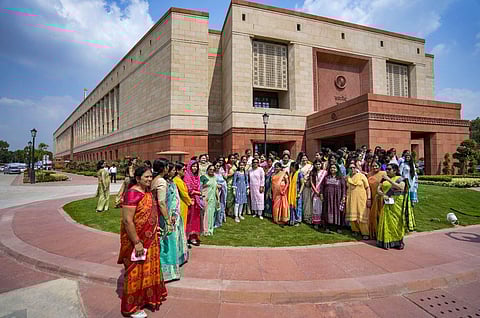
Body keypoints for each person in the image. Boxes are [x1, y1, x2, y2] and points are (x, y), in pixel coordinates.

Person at [117, 166, 167, 317]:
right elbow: (127, 220)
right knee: (135, 272)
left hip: (151, 239)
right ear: (138, 178)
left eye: (151, 177)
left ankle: (146, 298)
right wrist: (137, 242)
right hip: (137, 242)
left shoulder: (147, 193)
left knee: (148, 270)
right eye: (146, 177)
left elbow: (149, 214)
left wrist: (155, 228)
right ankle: (132, 307)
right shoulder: (132, 193)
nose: (149, 179)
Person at [376, 163, 408, 250]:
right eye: (387, 169)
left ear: (395, 170)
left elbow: (401, 187)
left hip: (397, 202)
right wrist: (383, 194)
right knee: (386, 220)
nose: (387, 171)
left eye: (389, 169)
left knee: (397, 221)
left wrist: (388, 180)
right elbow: (378, 189)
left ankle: (398, 241)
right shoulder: (384, 179)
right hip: (387, 201)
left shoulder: (400, 179)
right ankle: (387, 241)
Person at [346, 160, 371, 240]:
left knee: (362, 216)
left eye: (354, 167)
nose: (352, 169)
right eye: (350, 168)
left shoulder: (362, 176)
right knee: (352, 216)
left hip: (361, 199)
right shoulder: (347, 177)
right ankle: (355, 230)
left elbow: (367, 188)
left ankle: (365, 233)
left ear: (356, 168)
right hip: (351, 199)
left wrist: (369, 198)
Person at [320, 164, 346, 233]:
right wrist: (321, 194)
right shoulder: (326, 178)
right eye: (331, 168)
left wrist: (343, 196)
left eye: (334, 168)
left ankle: (338, 227)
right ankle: (327, 226)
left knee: (338, 210)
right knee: (327, 210)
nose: (332, 169)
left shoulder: (340, 178)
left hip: (337, 198)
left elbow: (343, 188)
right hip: (328, 198)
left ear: (337, 169)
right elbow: (322, 187)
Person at [183, 160, 202, 246]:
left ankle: (193, 237)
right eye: (193, 166)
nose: (195, 168)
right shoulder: (187, 176)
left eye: (196, 166)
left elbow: (198, 187)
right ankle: (186, 237)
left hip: (196, 201)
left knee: (195, 219)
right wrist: (197, 193)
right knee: (189, 219)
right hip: (189, 200)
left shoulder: (197, 177)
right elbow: (188, 189)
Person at [367, 161, 386, 239]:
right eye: (373, 166)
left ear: (380, 166)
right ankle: (374, 232)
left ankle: (382, 232)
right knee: (373, 215)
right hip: (372, 197)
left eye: (376, 166)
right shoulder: (369, 174)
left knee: (381, 214)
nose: (375, 167)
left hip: (381, 197)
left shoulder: (384, 174)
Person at [172, 162, 192, 233]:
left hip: (183, 203)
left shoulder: (178, 180)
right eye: (183, 170)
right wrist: (190, 202)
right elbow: (184, 194)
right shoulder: (177, 180)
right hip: (181, 203)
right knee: (181, 223)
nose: (185, 171)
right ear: (178, 170)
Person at [200, 164, 218, 235]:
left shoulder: (214, 177)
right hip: (205, 198)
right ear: (207, 170)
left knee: (211, 214)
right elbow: (200, 187)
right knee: (205, 214)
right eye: (210, 169)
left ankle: (210, 229)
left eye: (213, 170)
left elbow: (215, 188)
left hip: (212, 198)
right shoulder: (203, 177)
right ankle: (204, 230)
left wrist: (218, 199)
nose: (212, 171)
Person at [311, 160, 327, 229]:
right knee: (316, 207)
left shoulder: (324, 172)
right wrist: (316, 191)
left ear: (321, 165)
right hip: (315, 192)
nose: (318, 166)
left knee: (322, 208)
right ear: (314, 165)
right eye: (316, 164)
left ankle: (322, 222)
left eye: (319, 164)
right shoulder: (312, 173)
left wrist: (321, 192)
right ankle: (316, 222)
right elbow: (311, 182)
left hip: (322, 192)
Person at [288, 162, 304, 226]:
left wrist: (300, 193)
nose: (290, 168)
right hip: (291, 193)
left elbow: (302, 184)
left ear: (295, 167)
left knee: (297, 207)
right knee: (292, 206)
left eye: (292, 167)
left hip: (297, 193)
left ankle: (298, 220)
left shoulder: (299, 174)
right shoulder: (291, 174)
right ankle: (292, 219)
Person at [214, 161, 227, 227]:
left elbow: (224, 181)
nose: (218, 167)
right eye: (216, 166)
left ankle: (220, 220)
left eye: (219, 166)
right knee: (216, 206)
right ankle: (215, 221)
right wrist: (217, 185)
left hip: (222, 192)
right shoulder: (213, 174)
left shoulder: (221, 174)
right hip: (215, 192)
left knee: (222, 205)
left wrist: (222, 185)